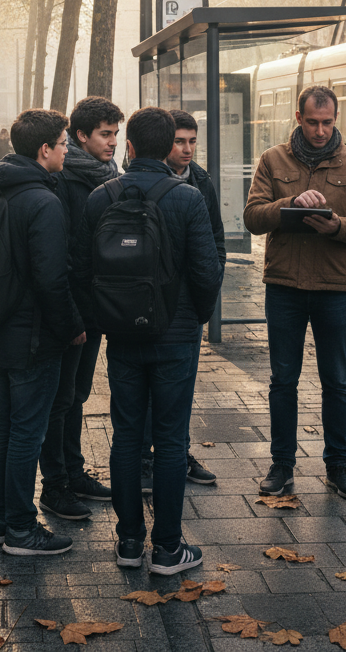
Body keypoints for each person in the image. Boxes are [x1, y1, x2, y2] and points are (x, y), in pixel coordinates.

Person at [74, 107, 222, 575]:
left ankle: (129, 542)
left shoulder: (101, 197)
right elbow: (207, 272)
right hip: (176, 336)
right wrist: (193, 318)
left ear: (132, 147)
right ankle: (169, 548)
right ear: (167, 148)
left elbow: (81, 270)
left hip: (122, 334)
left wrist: (106, 318)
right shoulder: (187, 198)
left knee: (126, 436)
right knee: (172, 440)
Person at [244, 85, 346, 502]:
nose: (321, 131)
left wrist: (337, 226)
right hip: (283, 286)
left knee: (335, 381)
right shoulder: (273, 159)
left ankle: (338, 464)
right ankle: (281, 464)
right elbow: (252, 218)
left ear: (335, 120)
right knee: (283, 380)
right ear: (298, 119)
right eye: (313, 122)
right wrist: (291, 205)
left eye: (328, 123)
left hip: (333, 289)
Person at [0, 108, 87, 556]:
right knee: (27, 432)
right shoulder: (43, 200)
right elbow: (51, 278)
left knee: (4, 428)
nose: (68, 150)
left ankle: (2, 522)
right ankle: (23, 530)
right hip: (33, 336)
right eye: (65, 144)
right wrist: (72, 329)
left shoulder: (1, 190)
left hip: (1, 328)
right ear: (45, 150)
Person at [38, 96, 123, 522]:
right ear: (80, 136)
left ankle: (73, 472)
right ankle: (55, 484)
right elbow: (67, 255)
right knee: (60, 399)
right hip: (73, 309)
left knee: (78, 395)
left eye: (115, 134)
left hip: (94, 308)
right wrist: (72, 316)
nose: (112, 142)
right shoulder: (66, 181)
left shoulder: (109, 175)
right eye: (104, 134)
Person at [148, 108, 227, 486]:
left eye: (192, 141)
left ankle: (178, 452)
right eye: (180, 141)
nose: (187, 149)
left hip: (186, 310)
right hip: (148, 305)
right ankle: (153, 457)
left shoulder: (201, 182)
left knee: (181, 390)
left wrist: (203, 302)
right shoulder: (144, 181)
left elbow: (217, 243)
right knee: (148, 392)